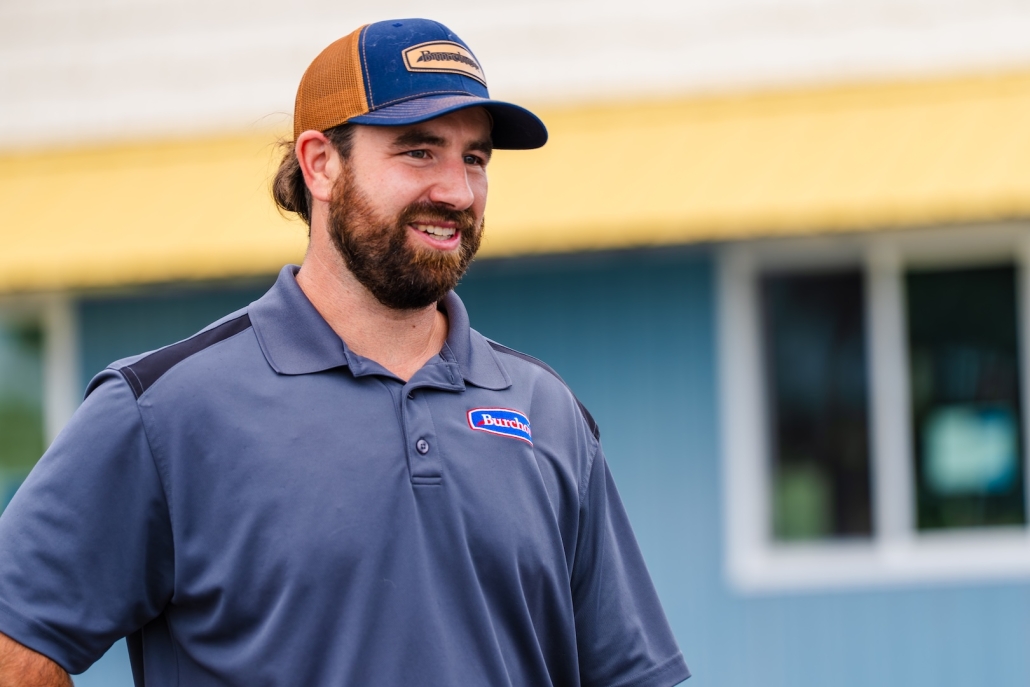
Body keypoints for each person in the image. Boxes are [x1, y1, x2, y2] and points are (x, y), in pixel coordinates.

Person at [0, 18, 690, 687]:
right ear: (321, 164)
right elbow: (15, 637)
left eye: (474, 158)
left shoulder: (547, 413)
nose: (456, 190)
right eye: (419, 150)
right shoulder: (165, 410)